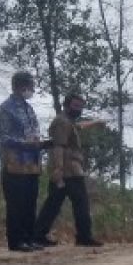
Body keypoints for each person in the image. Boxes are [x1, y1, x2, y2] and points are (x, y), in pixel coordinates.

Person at [33, 92, 104, 248]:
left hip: (68, 169)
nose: (78, 109)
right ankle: (84, 237)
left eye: (81, 106)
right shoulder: (62, 122)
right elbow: (59, 147)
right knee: (81, 204)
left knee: (53, 204)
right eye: (75, 105)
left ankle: (38, 235)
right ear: (67, 105)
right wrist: (58, 171)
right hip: (68, 171)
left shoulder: (68, 122)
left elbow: (78, 127)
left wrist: (95, 123)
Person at [0, 71, 46, 252]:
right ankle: (16, 241)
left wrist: (40, 142)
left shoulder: (28, 109)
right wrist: (24, 143)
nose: (33, 89)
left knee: (30, 201)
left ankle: (29, 238)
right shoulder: (5, 110)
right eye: (31, 86)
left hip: (31, 164)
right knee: (16, 203)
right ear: (21, 86)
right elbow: (0, 137)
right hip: (13, 165)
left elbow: (34, 132)